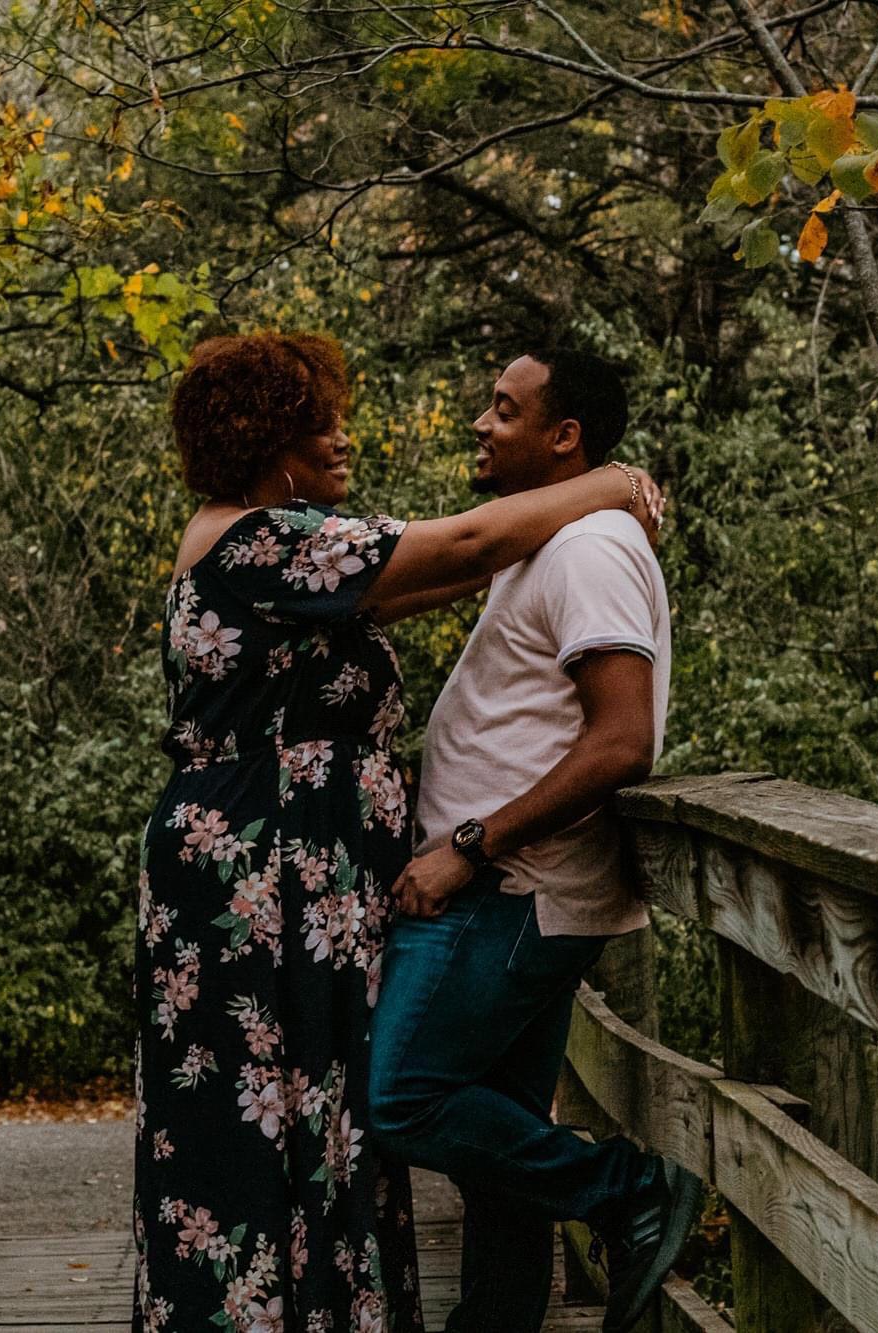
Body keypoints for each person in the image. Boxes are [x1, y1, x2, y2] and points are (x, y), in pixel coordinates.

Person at [133, 331, 661, 1333]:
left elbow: (447, 572)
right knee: (262, 1112)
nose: (343, 439)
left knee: (322, 1107)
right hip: (255, 874)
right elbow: (461, 547)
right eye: (319, 425)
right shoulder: (260, 541)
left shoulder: (289, 560)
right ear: (265, 442)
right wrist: (611, 485)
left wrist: (578, 507)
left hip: (296, 876)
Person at [366, 348, 699, 1333]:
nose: (481, 422)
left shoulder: (590, 550)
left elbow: (622, 740)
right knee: (497, 1126)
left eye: (503, 409)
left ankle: (629, 1190)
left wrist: (469, 846)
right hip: (510, 885)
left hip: (509, 888)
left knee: (403, 1097)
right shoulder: (551, 539)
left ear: (563, 437)